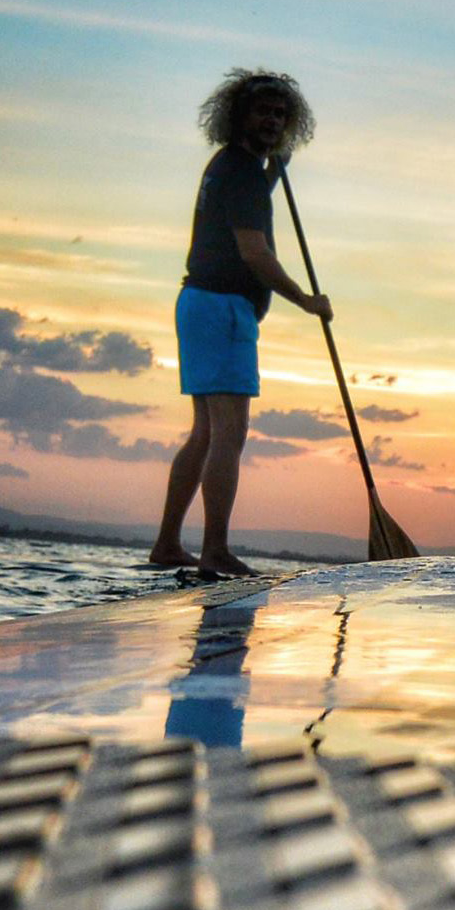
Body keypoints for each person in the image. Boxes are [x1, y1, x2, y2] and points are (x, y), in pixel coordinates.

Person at [149, 69, 333, 577]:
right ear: (239, 116)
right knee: (230, 433)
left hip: (200, 305)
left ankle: (167, 545)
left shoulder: (231, 167)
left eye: (280, 114)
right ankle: (214, 551)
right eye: (263, 112)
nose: (273, 121)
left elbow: (247, 208)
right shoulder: (243, 172)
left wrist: (274, 171)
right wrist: (304, 300)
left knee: (206, 433)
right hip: (222, 308)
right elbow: (255, 254)